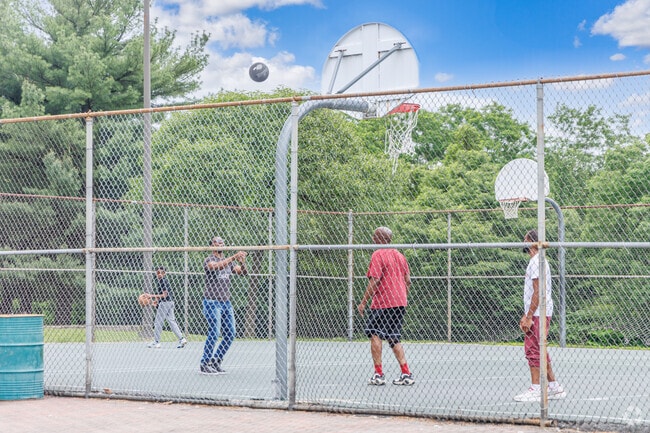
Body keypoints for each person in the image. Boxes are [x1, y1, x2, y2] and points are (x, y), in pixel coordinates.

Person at [514, 229, 566, 402]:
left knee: (533, 348)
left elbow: (539, 290)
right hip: (538, 311)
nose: (524, 243)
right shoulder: (537, 261)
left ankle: (536, 388)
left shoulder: (537, 261)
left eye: (525, 239)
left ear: (532, 242)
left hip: (538, 312)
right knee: (540, 347)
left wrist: (529, 316)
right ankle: (554, 387)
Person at [357, 226, 414, 386]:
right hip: (399, 302)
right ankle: (406, 374)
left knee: (375, 334)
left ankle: (379, 374)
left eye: (374, 236)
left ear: (380, 239)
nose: (372, 239)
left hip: (383, 302)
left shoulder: (378, 254)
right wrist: (403, 297)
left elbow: (374, 280)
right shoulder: (400, 255)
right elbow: (408, 280)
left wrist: (363, 302)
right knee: (394, 337)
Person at [200, 236, 247, 375]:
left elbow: (243, 273)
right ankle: (205, 363)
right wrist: (233, 257)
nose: (220, 244)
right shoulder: (209, 260)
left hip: (226, 302)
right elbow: (216, 267)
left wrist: (242, 262)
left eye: (222, 242)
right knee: (214, 333)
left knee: (230, 333)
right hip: (212, 302)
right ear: (212, 246)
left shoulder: (230, 263)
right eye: (216, 242)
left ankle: (216, 360)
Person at [147, 266, 187, 349]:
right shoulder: (161, 281)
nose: (160, 274)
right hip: (170, 302)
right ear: (156, 273)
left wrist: (151, 296)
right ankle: (182, 339)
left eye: (162, 273)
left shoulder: (163, 281)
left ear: (164, 273)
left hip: (165, 303)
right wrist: (156, 301)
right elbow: (161, 294)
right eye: (158, 273)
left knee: (158, 322)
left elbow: (164, 295)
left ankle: (157, 342)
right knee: (171, 321)